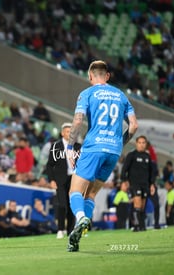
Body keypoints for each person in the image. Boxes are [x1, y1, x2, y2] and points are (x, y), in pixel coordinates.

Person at [65, 60, 138, 252]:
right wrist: (119, 144)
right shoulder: (121, 96)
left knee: (75, 192)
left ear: (90, 76)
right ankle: (79, 233)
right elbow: (134, 126)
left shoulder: (87, 94)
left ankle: (81, 219)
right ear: (107, 76)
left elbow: (78, 120)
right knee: (91, 193)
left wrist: (70, 146)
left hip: (93, 148)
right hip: (113, 150)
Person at [45, 122, 81, 239]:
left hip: (74, 179)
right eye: (67, 131)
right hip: (60, 180)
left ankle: (70, 230)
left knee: (72, 205)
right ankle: (60, 229)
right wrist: (51, 180)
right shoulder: (56, 146)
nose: (69, 133)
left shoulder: (78, 147)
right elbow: (50, 165)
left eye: (71, 131)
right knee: (62, 205)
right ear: (62, 133)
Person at [121, 136, 155, 232]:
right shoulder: (132, 155)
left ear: (146, 144)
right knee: (137, 203)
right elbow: (125, 169)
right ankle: (136, 225)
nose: (141, 144)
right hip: (134, 183)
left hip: (145, 184)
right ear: (136, 143)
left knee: (143, 206)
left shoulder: (148, 156)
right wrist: (124, 181)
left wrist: (152, 184)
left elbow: (151, 172)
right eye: (139, 142)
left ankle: (142, 225)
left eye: (143, 142)